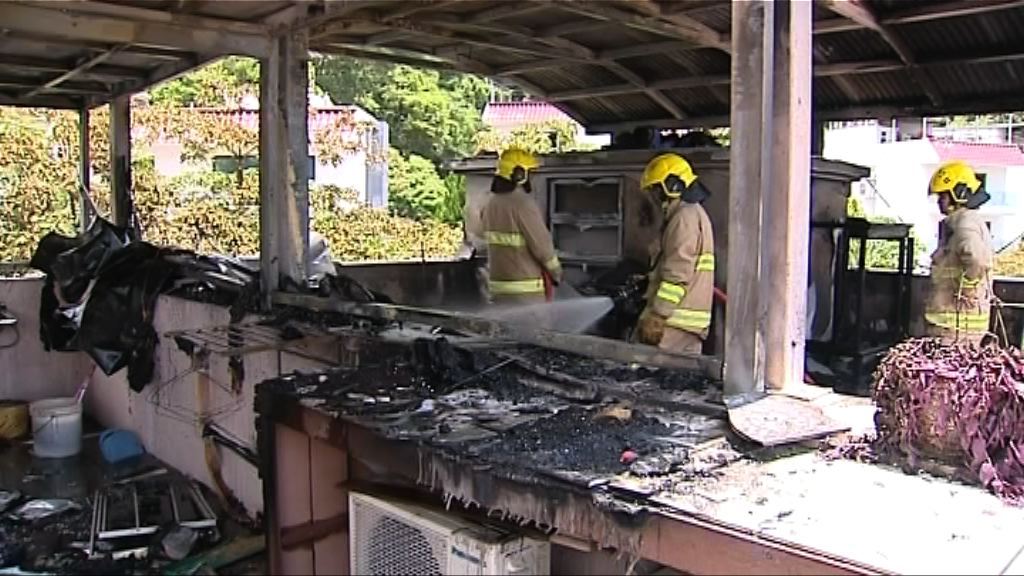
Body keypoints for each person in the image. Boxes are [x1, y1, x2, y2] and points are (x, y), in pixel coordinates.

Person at [635, 153, 715, 354]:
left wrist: (658, 316)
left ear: (672, 186)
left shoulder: (684, 219)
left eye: (655, 190)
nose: (653, 197)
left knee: (642, 371)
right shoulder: (690, 214)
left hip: (673, 322)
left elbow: (677, 274)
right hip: (686, 324)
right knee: (680, 380)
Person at [923, 161, 994, 345]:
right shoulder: (961, 222)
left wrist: (968, 286)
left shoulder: (965, 223)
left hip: (957, 329)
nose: (940, 201)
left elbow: (976, 258)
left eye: (943, 196)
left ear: (959, 193)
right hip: (955, 326)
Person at [481, 148, 562, 305]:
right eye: (530, 172)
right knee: (534, 330)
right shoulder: (523, 204)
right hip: (526, 293)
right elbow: (542, 246)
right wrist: (557, 273)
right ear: (519, 175)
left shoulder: (490, 203)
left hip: (498, 289)